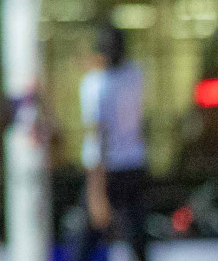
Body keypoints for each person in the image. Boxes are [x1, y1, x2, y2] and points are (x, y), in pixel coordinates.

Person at [75, 24, 149, 261]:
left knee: (85, 240)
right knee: (136, 235)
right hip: (134, 164)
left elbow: (99, 135)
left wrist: (96, 190)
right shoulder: (136, 75)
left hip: (105, 169)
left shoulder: (95, 84)